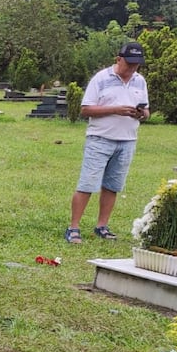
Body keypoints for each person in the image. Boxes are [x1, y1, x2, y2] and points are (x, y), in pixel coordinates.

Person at [66, 42, 150, 244]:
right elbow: (85, 109)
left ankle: (102, 226)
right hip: (100, 138)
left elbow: (147, 112)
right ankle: (74, 227)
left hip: (127, 140)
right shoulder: (101, 79)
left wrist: (141, 113)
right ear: (118, 59)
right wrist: (115, 109)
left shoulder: (140, 81)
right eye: (128, 63)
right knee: (87, 184)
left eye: (136, 65)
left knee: (112, 186)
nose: (131, 68)